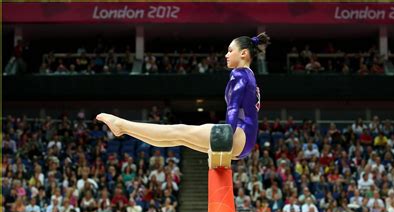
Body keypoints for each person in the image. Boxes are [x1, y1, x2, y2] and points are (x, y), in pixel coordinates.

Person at [97, 33, 270, 160]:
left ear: (244, 53)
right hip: (246, 140)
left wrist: (226, 136)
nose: (226, 55)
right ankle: (124, 128)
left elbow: (233, 108)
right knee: (178, 138)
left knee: (179, 131)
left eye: (230, 50)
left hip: (239, 135)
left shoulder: (239, 75)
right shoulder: (250, 75)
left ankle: (121, 125)